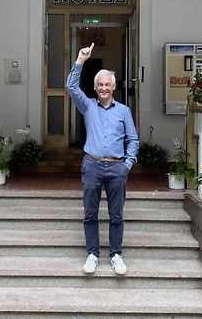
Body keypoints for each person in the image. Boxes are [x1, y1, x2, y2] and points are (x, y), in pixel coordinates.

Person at [66, 42, 139, 275]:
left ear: (114, 86)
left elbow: (133, 140)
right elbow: (70, 87)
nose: (104, 88)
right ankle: (92, 254)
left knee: (116, 215)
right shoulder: (87, 106)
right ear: (95, 87)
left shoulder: (124, 111)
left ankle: (116, 255)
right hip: (92, 165)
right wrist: (80, 61)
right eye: (100, 84)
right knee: (90, 213)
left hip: (117, 167)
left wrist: (127, 165)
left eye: (107, 84)